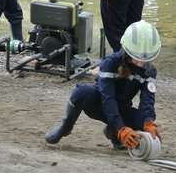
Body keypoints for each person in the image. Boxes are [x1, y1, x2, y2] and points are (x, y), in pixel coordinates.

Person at [44, 20, 162, 150]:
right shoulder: (110, 63)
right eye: (137, 58)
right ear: (127, 51)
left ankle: (113, 132)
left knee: (145, 120)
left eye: (146, 59)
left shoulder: (150, 71)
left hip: (122, 109)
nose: (141, 63)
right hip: (99, 103)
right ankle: (65, 127)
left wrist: (148, 122)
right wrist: (121, 128)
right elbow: (108, 98)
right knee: (82, 92)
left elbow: (147, 100)